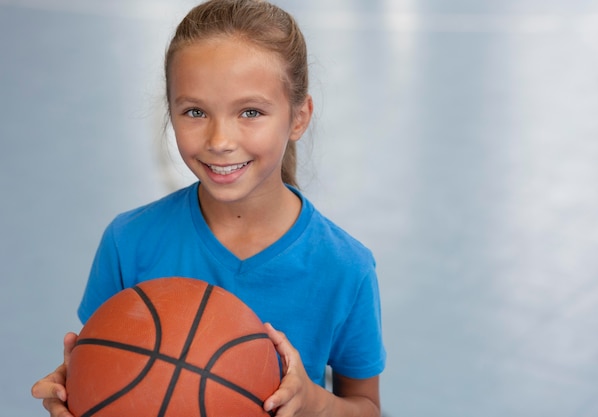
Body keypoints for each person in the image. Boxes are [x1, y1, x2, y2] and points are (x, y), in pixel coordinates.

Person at [31, 0, 386, 416]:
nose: (219, 140)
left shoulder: (345, 267)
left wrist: (312, 402)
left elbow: (365, 407)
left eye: (250, 112)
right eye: (195, 111)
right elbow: (108, 365)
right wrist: (75, 390)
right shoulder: (129, 242)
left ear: (298, 117)